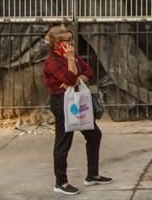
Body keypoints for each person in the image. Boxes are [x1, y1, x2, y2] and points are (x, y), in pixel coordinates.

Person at [42, 26, 113, 196]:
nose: (70, 44)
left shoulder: (72, 56)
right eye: (66, 41)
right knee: (63, 141)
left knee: (94, 134)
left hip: (77, 100)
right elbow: (69, 78)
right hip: (62, 102)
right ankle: (61, 182)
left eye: (71, 40)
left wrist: (78, 76)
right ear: (56, 43)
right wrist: (71, 63)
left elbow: (88, 71)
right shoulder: (53, 62)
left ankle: (92, 175)